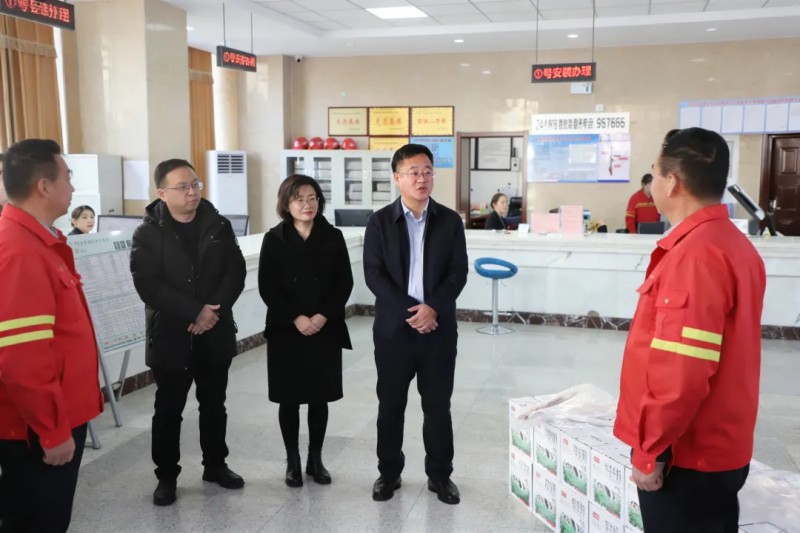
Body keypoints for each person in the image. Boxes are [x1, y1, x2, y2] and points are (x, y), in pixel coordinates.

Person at [614, 128, 766, 533]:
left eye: (654, 171)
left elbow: (682, 371)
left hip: (687, 455)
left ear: (672, 182)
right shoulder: (732, 245)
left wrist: (652, 451)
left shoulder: (695, 256)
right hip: (720, 443)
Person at [130, 158, 246, 506]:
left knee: (214, 404)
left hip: (215, 331)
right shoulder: (147, 233)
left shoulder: (218, 224)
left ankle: (215, 465)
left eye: (196, 184)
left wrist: (212, 312)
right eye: (183, 186)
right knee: (168, 409)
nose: (192, 191)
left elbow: (235, 272)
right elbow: (148, 284)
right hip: (171, 335)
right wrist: (195, 312)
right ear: (162, 193)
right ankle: (166, 476)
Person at [0, 139, 103, 532]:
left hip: (52, 416)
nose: (72, 187)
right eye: (67, 176)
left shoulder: (38, 242)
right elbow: (21, 358)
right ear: (43, 186)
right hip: (36, 429)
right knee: (39, 522)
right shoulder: (20, 251)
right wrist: (53, 430)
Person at [363, 143, 468, 505]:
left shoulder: (450, 221)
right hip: (394, 332)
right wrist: (414, 311)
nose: (422, 179)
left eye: (427, 171)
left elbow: (458, 272)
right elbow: (374, 275)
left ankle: (440, 476)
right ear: (397, 178)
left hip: (438, 331)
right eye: (413, 172)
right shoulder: (379, 221)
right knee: (390, 406)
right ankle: (388, 473)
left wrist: (433, 308)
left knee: (437, 407)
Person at [258, 174, 354, 488]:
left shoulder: (333, 236)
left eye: (312, 198)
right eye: (298, 199)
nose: (307, 204)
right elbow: (267, 287)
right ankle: (292, 461)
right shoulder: (274, 238)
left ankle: (315, 459)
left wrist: (323, 316)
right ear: (286, 204)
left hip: (324, 328)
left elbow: (344, 283)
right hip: (287, 329)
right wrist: (296, 318)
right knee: (289, 398)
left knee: (318, 397)